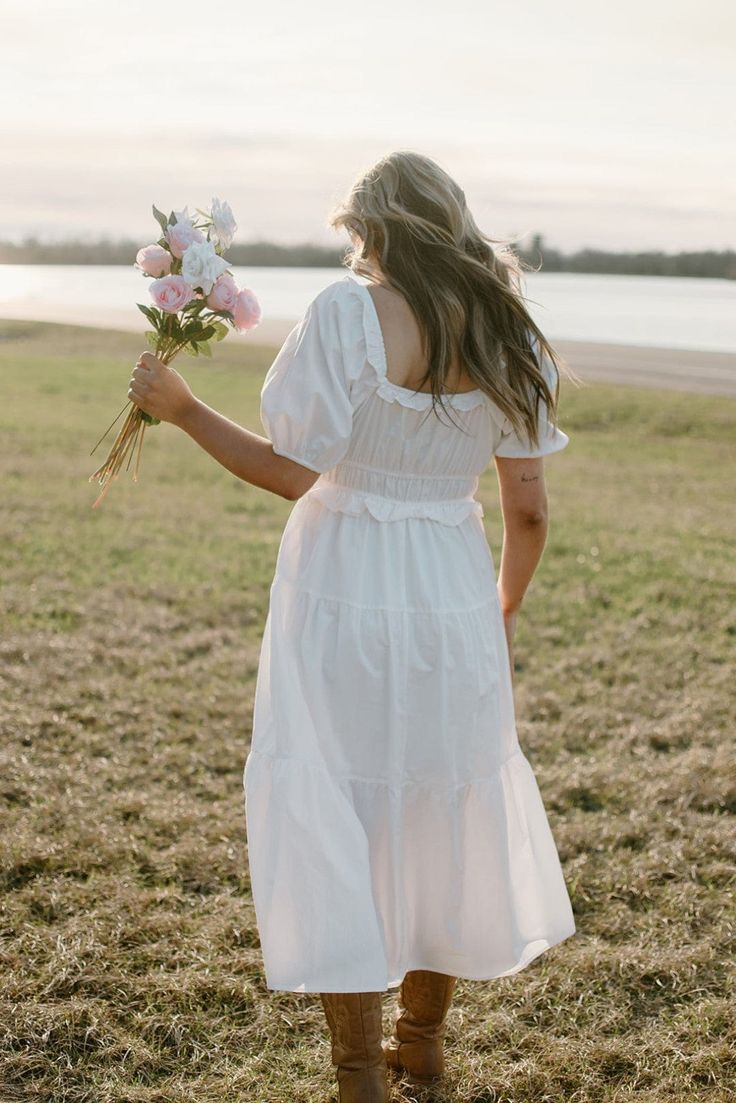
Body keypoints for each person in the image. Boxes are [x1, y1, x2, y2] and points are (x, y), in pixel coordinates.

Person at [128, 150, 578, 1103]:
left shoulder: (349, 312)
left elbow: (294, 471)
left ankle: (360, 1075)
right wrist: (497, 610)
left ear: (373, 226)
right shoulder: (510, 332)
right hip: (452, 592)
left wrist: (180, 407)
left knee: (334, 809)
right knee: (440, 803)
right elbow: (530, 511)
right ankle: (423, 1048)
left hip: (341, 590)